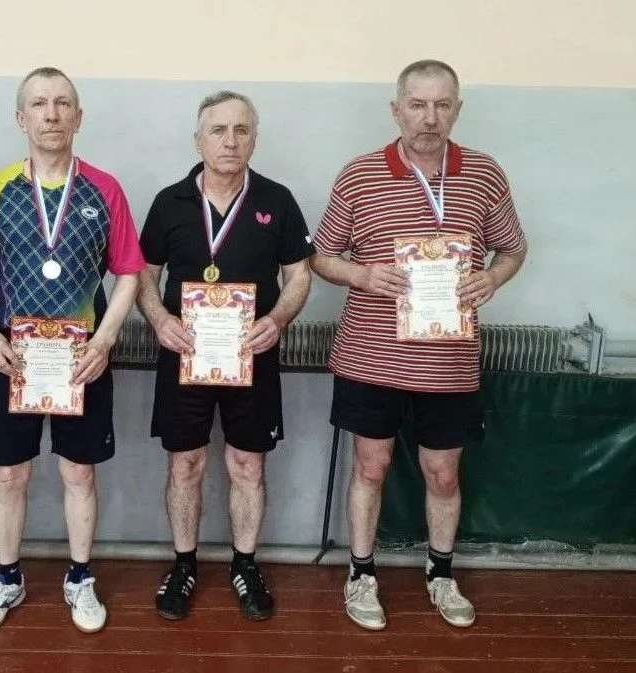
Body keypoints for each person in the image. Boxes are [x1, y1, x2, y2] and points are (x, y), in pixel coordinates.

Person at [309, 59, 528, 631]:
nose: (430, 118)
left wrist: (492, 278)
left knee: (443, 474)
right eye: (418, 104)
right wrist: (361, 274)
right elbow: (321, 256)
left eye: (442, 105)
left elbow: (513, 248)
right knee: (371, 466)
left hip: (448, 363)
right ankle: (361, 574)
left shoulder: (484, 173)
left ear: (457, 109)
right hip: (371, 357)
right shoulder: (359, 174)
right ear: (396, 109)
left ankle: (441, 574)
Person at [0, 67, 145, 634]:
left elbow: (129, 273)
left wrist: (105, 340)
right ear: (22, 118)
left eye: (63, 103)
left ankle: (80, 578)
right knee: (9, 477)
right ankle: (7, 578)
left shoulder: (105, 189)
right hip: (9, 357)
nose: (52, 113)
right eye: (39, 103)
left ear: (79, 117)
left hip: (82, 360)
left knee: (79, 475)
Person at [138, 91, 314, 621]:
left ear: (255, 139)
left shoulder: (278, 200)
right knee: (185, 463)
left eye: (241, 130)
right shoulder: (169, 202)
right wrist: (160, 320)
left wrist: (278, 321)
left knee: (247, 463)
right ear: (198, 140)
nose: (230, 141)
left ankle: (245, 563)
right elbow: (144, 277)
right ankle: (183, 564)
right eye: (218, 130)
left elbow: (299, 275)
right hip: (184, 355)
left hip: (253, 355)